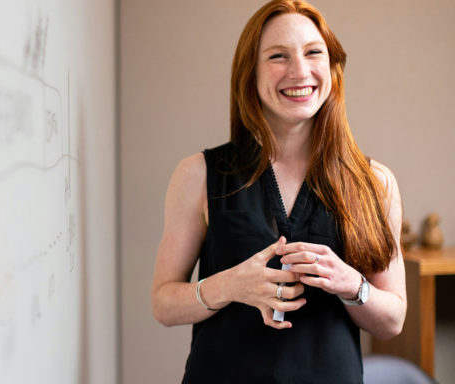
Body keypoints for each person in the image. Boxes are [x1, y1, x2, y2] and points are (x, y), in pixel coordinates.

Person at [151, 1, 406, 383]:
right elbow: (163, 304)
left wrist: (352, 284)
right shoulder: (198, 175)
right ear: (250, 74)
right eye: (278, 56)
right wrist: (229, 285)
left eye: (313, 52)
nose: (299, 71)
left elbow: (393, 321)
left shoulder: (375, 182)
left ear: (333, 68)